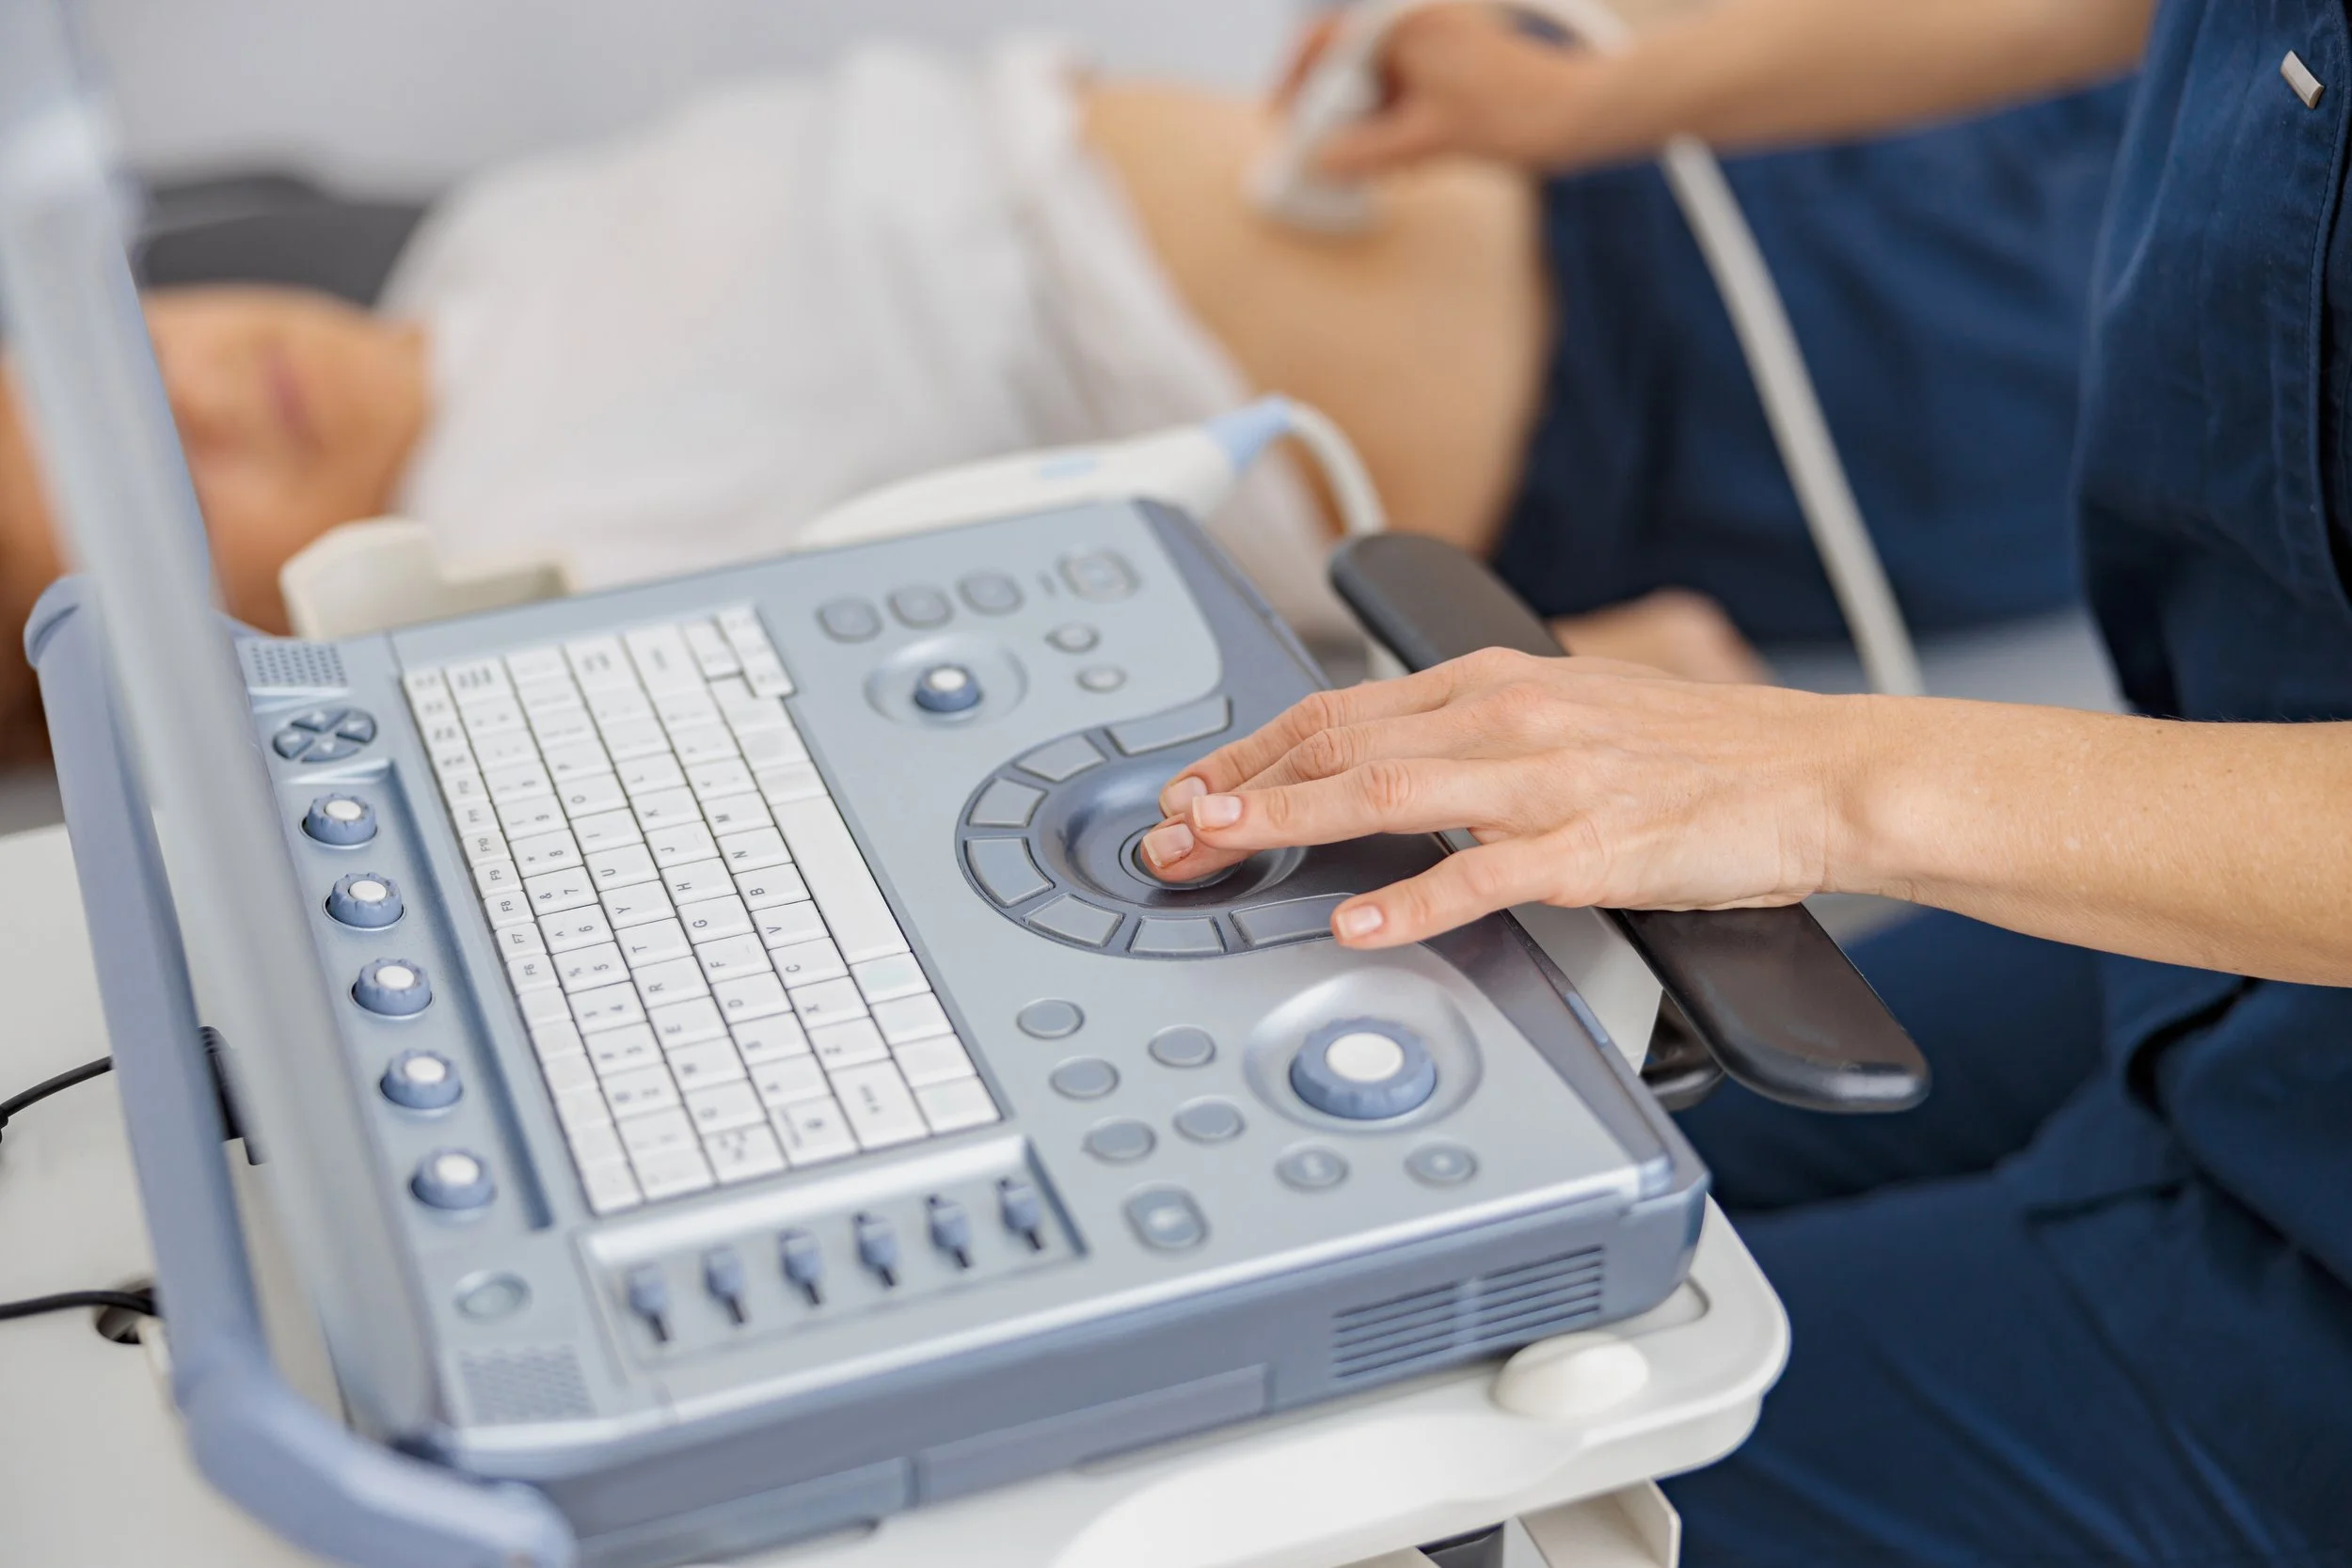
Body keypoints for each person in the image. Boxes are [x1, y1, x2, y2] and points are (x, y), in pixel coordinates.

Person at [1139, 1, 2352, 1562]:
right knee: (1504, 1189)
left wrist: (1824, 778)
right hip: (2226, 887)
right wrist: (1613, 93)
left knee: (1410, 1466)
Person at [0, 31, 2121, 757]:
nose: (203, 388)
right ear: (226, 634)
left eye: (111, 359)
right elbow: (1016, 711)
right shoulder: (522, 576)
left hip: (1625, 141)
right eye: (161, 487)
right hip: (1743, 381)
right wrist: (1530, 669)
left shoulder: (478, 257)